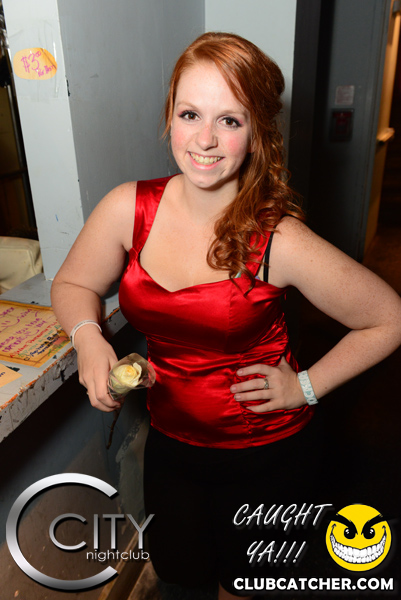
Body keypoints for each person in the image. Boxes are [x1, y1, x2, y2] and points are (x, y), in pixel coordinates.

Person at [51, 32, 401, 599]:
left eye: (230, 120)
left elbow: (389, 317)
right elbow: (72, 283)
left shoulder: (280, 238)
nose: (205, 140)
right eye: (190, 114)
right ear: (170, 115)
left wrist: (305, 386)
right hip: (171, 446)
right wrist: (89, 337)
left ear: (257, 132)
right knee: (179, 573)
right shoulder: (127, 208)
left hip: (265, 455)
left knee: (244, 587)